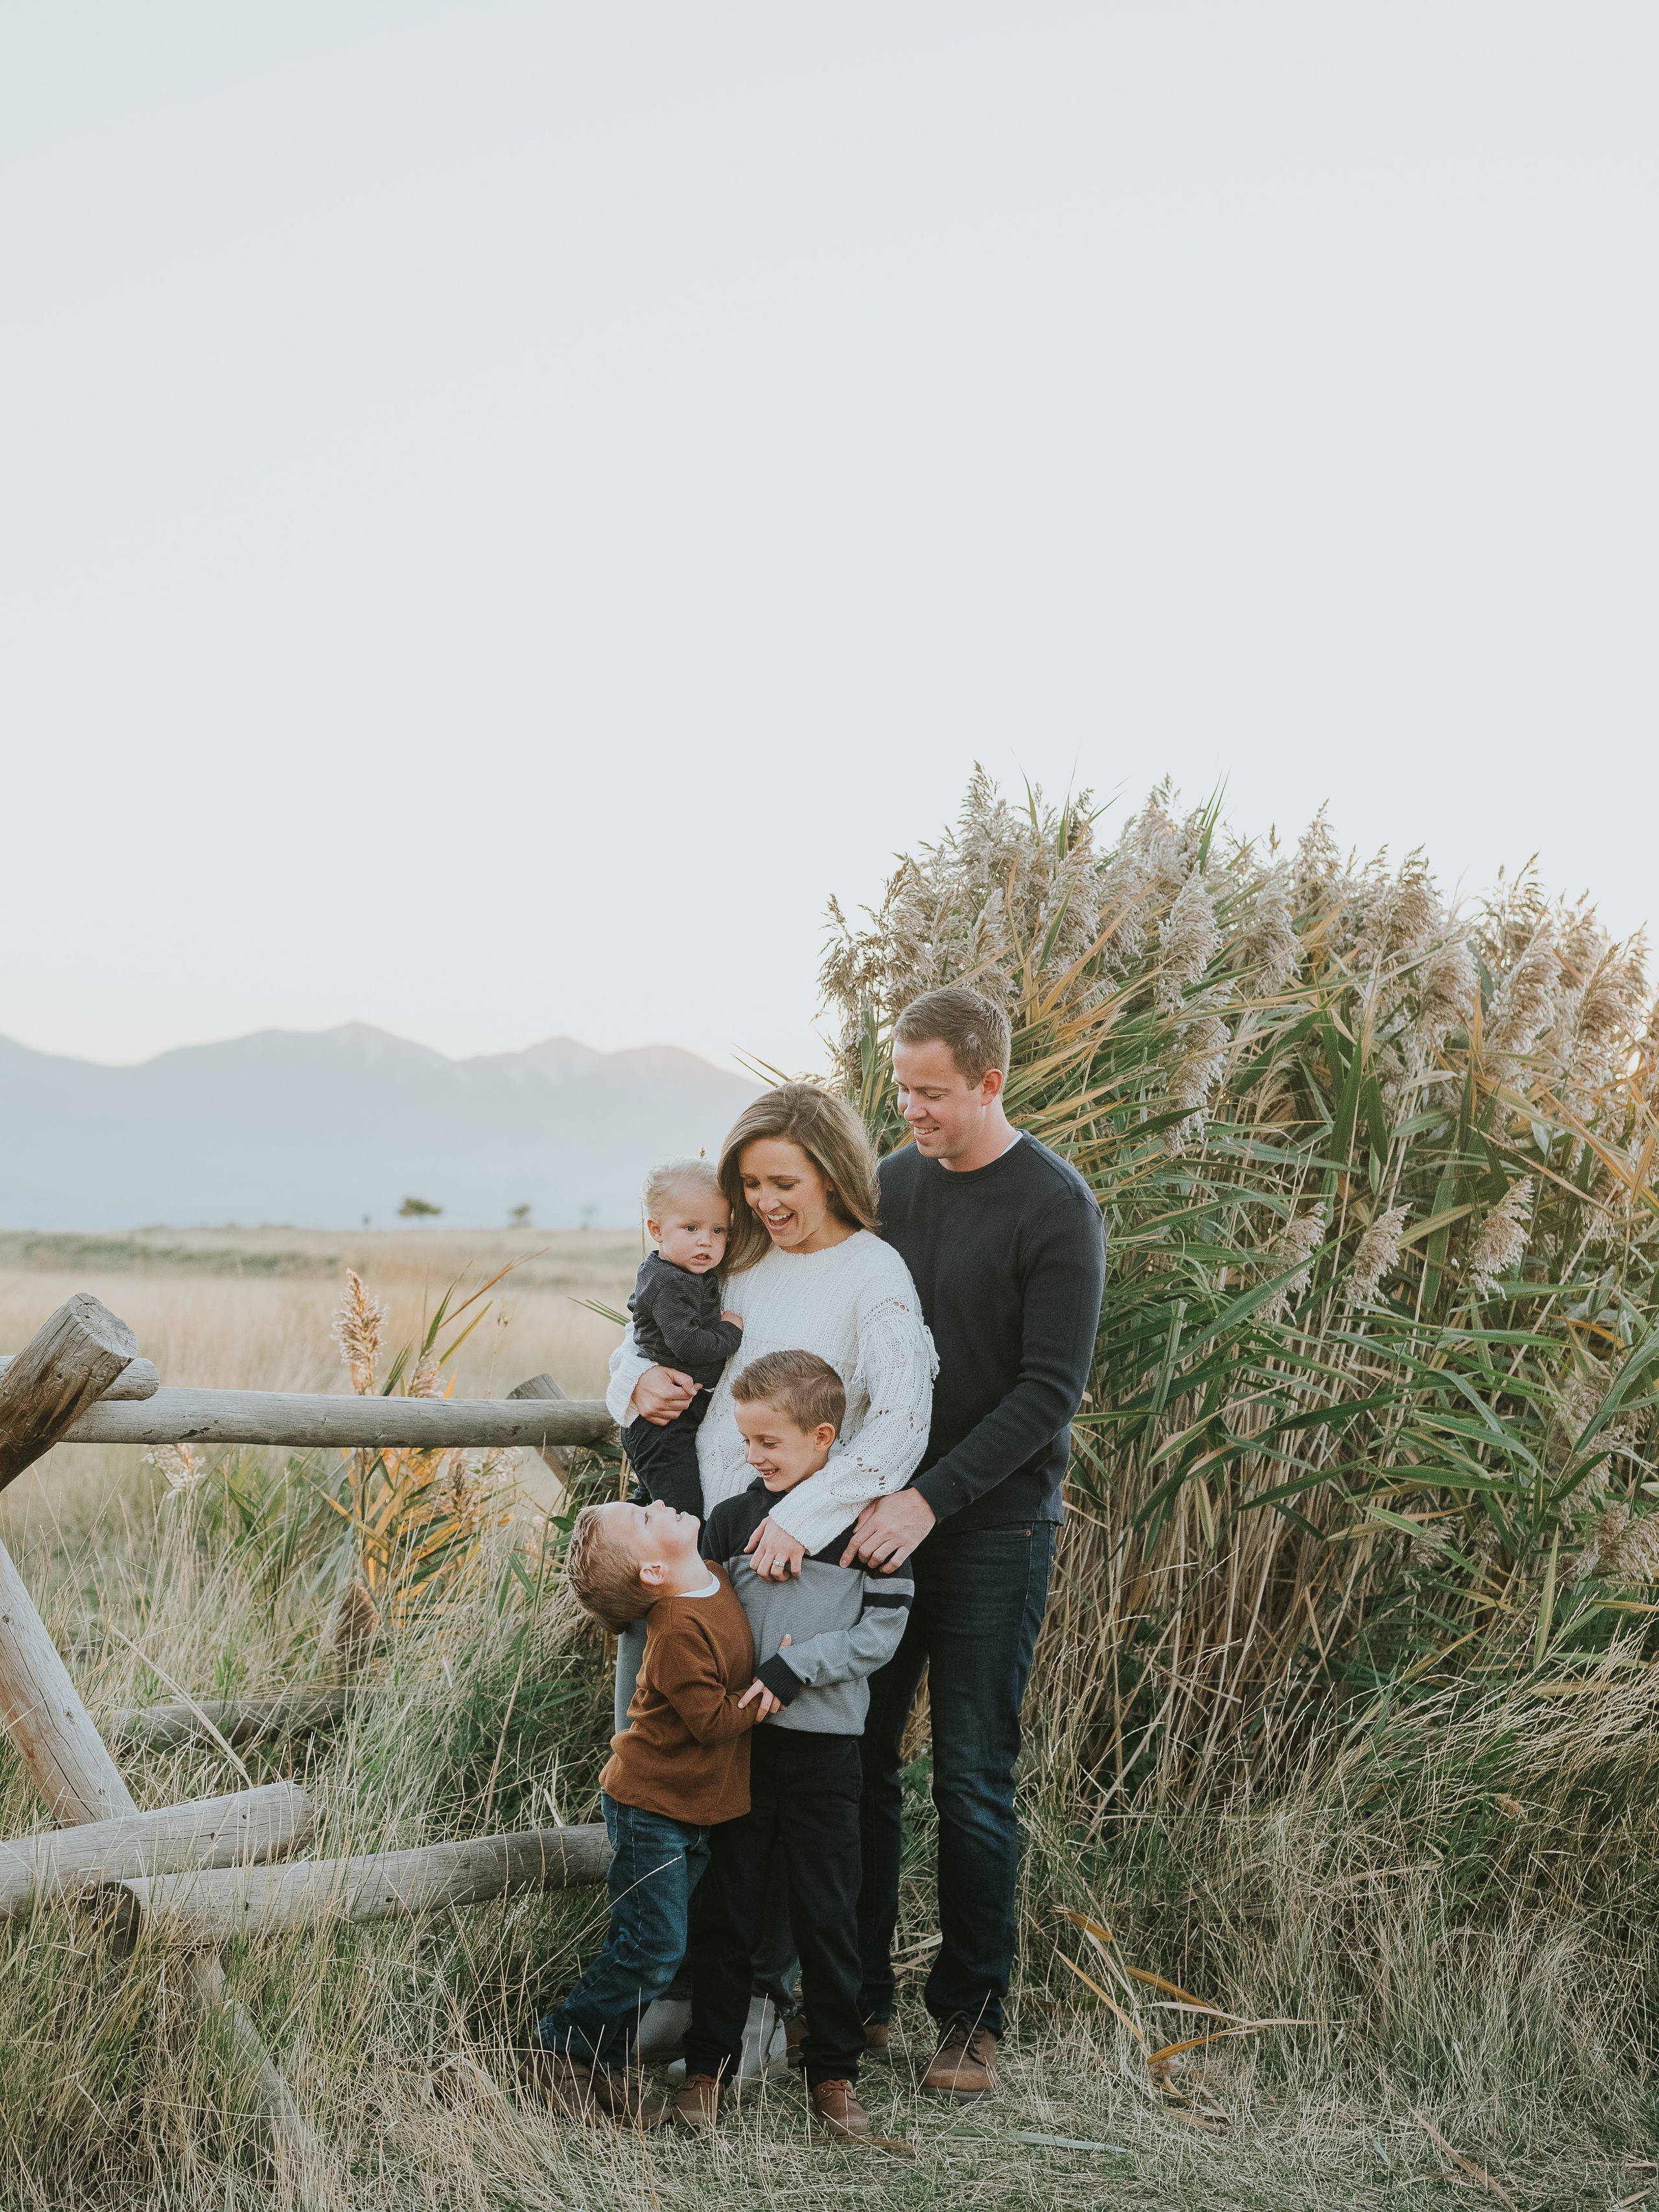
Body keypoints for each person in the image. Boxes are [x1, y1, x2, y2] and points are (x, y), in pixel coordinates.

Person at [606, 1083, 935, 2065]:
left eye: (782, 1182)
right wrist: (635, 1380)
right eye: (751, 1183)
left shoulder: (873, 1274)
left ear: (833, 1171)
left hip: (788, 1572)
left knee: (770, 1786)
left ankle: (752, 1999)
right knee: (661, 1766)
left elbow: (903, 1422)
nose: (767, 1203)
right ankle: (661, 1989)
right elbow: (636, 1335)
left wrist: (802, 1516)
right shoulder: (732, 1256)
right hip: (687, 1557)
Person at [842, 986, 1107, 2101]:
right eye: (902, 1088)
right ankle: (850, 1996)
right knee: (855, 1761)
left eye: (933, 1093)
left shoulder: (1055, 1206)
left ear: (990, 1082)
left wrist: (931, 1500)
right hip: (881, 1521)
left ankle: (972, 2018)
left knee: (972, 1777)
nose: (911, 1110)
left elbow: (1048, 1392)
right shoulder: (893, 1188)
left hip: (994, 1527)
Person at [673, 1349, 913, 2141]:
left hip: (825, 1755)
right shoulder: (735, 1521)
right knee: (728, 1909)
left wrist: (795, 1664)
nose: (753, 1459)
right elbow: (704, 1619)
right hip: (742, 1752)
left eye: (768, 1443)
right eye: (745, 1442)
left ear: (823, 1438)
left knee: (827, 1912)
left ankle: (835, 2076)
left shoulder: (866, 1524)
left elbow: (881, 1631)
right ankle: (706, 2065)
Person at [526, 1496, 760, 2126]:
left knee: (657, 1940)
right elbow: (713, 1722)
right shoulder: (677, 1631)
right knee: (653, 1943)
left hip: (691, 1805)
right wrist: (773, 1693)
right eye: (645, 1516)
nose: (658, 1501)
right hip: (651, 1805)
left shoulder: (711, 1573)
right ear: (652, 1572)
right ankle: (560, 2046)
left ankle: (598, 2059)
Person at [620, 1158, 745, 1519]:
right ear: (656, 1230)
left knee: (651, 1513)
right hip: (663, 1430)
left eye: (719, 1230)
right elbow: (687, 1345)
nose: (706, 1240)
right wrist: (729, 1332)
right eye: (691, 1228)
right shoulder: (666, 1281)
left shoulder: (686, 1269)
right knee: (683, 1519)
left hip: (675, 1423)